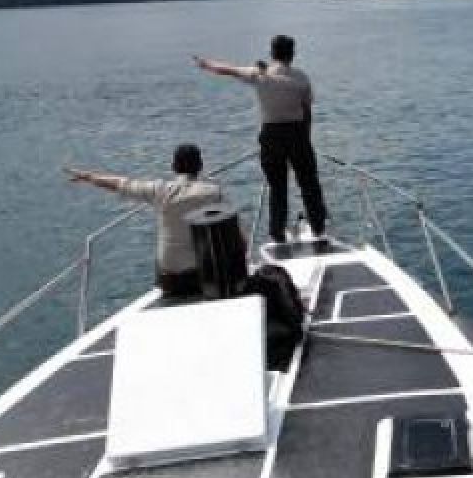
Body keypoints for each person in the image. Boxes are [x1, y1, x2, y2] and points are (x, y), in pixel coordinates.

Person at [193, 35, 328, 244]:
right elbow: (307, 111)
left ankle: (277, 232)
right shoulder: (301, 78)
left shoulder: (259, 76)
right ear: (292, 54)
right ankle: (318, 227)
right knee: (309, 182)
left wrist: (205, 64)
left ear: (272, 53)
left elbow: (228, 70)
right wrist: (305, 138)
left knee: (277, 186)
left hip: (271, 135)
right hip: (297, 133)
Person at [65, 144, 223, 297]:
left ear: (173, 167)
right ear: (200, 165)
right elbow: (237, 235)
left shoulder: (159, 191)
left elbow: (119, 183)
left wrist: (88, 177)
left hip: (170, 281)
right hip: (202, 278)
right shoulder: (213, 193)